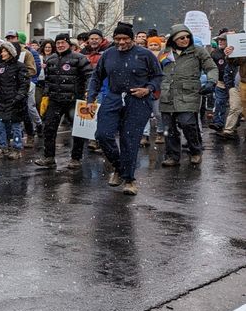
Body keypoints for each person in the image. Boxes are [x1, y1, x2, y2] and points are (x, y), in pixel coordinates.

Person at [88, 22, 163, 195]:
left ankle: (129, 179)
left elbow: (158, 76)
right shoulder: (108, 54)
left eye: (125, 39)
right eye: (117, 39)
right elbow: (96, 77)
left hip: (138, 100)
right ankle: (119, 167)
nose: (121, 43)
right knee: (102, 134)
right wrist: (91, 98)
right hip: (113, 97)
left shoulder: (145, 55)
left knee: (129, 140)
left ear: (132, 39)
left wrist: (148, 89)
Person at [158, 23, 217, 167]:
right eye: (181, 38)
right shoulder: (165, 53)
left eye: (187, 37)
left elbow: (211, 67)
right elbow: (156, 71)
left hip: (189, 93)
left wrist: (211, 81)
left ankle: (195, 151)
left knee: (187, 123)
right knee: (169, 128)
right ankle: (172, 156)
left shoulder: (198, 51)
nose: (185, 40)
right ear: (173, 39)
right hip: (168, 94)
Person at [33, 33, 91, 170]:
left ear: (69, 44)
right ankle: (49, 157)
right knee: (49, 128)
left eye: (62, 43)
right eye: (57, 43)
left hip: (74, 100)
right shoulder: (51, 59)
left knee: (77, 131)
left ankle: (76, 158)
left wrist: (88, 93)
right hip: (55, 100)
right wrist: (46, 96)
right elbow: (48, 80)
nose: (60, 45)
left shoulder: (79, 58)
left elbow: (90, 76)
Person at [0, 41, 29, 158]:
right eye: (1, 51)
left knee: (15, 126)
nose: (2, 53)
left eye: (4, 51)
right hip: (2, 100)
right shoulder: (1, 67)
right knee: (0, 124)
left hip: (15, 101)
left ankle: (17, 148)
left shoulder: (20, 66)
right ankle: (3, 147)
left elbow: (24, 84)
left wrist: (18, 97)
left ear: (10, 52)